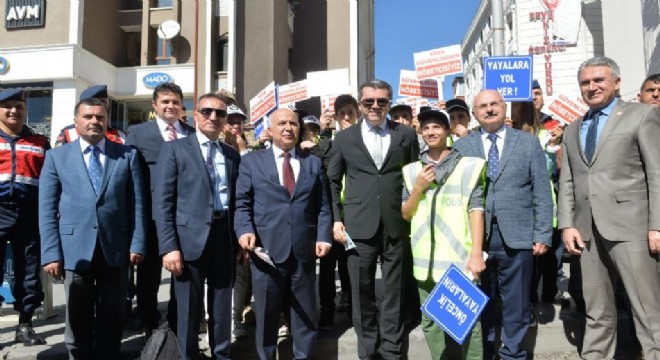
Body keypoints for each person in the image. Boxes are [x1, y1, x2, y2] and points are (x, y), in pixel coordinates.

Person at [558, 56, 660, 360]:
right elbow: (568, 181)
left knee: (648, 312)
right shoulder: (573, 128)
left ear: (616, 83)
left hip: (632, 228)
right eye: (585, 83)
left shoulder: (641, 116)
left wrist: (657, 225)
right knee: (596, 312)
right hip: (586, 232)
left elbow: (656, 173)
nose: (592, 87)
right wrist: (567, 224)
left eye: (598, 80)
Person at [39, 97, 146, 359]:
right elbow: (46, 209)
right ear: (76, 121)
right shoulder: (56, 157)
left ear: (107, 121)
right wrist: (51, 252)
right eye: (88, 117)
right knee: (77, 315)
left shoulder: (126, 155)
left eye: (100, 117)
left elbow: (137, 205)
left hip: (116, 249)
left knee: (112, 314)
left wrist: (137, 243)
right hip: (74, 250)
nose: (94, 121)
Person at [452, 89, 553, 360]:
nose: (489, 109)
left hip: (518, 235)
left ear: (504, 107)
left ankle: (512, 353)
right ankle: (484, 351)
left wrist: (542, 232)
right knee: (480, 300)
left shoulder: (527, 142)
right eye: (482, 106)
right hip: (477, 239)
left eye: (494, 103)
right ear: (474, 113)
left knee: (517, 303)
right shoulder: (462, 147)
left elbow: (541, 191)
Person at [327, 79, 419, 360]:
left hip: (396, 224)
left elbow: (413, 177)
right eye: (369, 101)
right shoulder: (344, 138)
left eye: (382, 101)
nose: (376, 106)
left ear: (389, 103)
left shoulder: (405, 134)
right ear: (360, 104)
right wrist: (336, 219)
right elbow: (332, 180)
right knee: (361, 291)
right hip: (358, 225)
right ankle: (368, 350)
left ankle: (391, 349)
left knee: (394, 291)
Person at [234, 108, 332, 360]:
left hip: (303, 249)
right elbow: (242, 202)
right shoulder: (251, 161)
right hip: (266, 252)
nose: (288, 128)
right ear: (271, 128)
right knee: (266, 315)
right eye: (282, 123)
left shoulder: (312, 162)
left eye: (293, 123)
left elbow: (322, 205)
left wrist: (323, 236)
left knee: (305, 315)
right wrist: (244, 230)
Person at [152, 93, 239, 359]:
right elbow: (163, 201)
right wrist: (169, 247)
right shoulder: (175, 149)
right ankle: (188, 355)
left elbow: (239, 200)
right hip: (187, 240)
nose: (213, 117)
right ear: (194, 114)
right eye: (207, 111)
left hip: (225, 237)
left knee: (222, 306)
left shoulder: (232, 155)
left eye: (220, 113)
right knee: (188, 309)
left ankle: (221, 355)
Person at [401, 109, 486, 359]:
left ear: (448, 132)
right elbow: (406, 213)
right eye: (426, 128)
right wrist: (418, 188)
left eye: (437, 127)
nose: (431, 132)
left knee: (468, 324)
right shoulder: (411, 170)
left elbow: (476, 211)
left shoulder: (468, 166)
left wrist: (476, 254)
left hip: (459, 261)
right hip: (425, 263)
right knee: (430, 324)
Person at [124, 82, 193, 336]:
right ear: (154, 105)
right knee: (149, 275)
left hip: (185, 217)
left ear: (182, 106)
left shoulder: (192, 133)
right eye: (165, 101)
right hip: (152, 218)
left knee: (183, 273)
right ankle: (149, 325)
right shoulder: (138, 133)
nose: (170, 106)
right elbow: (130, 177)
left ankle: (178, 324)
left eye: (175, 102)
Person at [0, 89, 48, 346]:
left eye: (18, 106)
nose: (13, 111)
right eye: (7, 106)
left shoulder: (40, 141)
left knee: (29, 271)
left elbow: (50, 179)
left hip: (30, 212)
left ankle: (25, 325)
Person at [54, 85, 126, 146]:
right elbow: (59, 158)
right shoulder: (69, 133)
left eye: (105, 102)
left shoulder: (120, 135)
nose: (103, 106)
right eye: (98, 102)